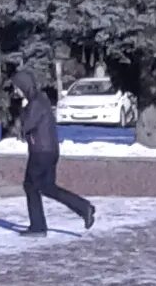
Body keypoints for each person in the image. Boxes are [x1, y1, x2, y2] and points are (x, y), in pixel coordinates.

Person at [13, 73, 97, 235]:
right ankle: (84, 208)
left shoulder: (35, 103)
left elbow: (26, 126)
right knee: (47, 187)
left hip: (41, 152)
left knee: (30, 186)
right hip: (49, 150)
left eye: (17, 87)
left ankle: (38, 227)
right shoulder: (40, 100)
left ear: (24, 86)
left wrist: (23, 110)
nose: (16, 91)